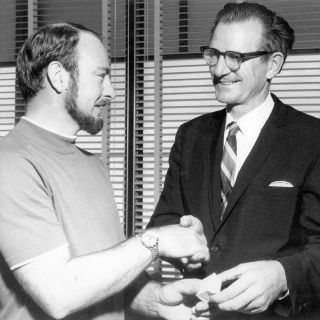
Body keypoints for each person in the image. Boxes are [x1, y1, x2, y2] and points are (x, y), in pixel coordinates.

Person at [0, 22, 211, 320]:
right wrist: (156, 241)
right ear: (59, 77)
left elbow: (101, 279)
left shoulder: (95, 167)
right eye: (101, 76)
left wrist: (157, 301)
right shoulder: (9, 164)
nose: (111, 92)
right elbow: (60, 293)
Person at [148, 2, 320, 319]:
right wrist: (184, 243)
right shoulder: (190, 136)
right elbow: (162, 224)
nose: (219, 69)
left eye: (235, 57)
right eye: (213, 54)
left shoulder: (312, 139)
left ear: (273, 65)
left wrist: (283, 275)